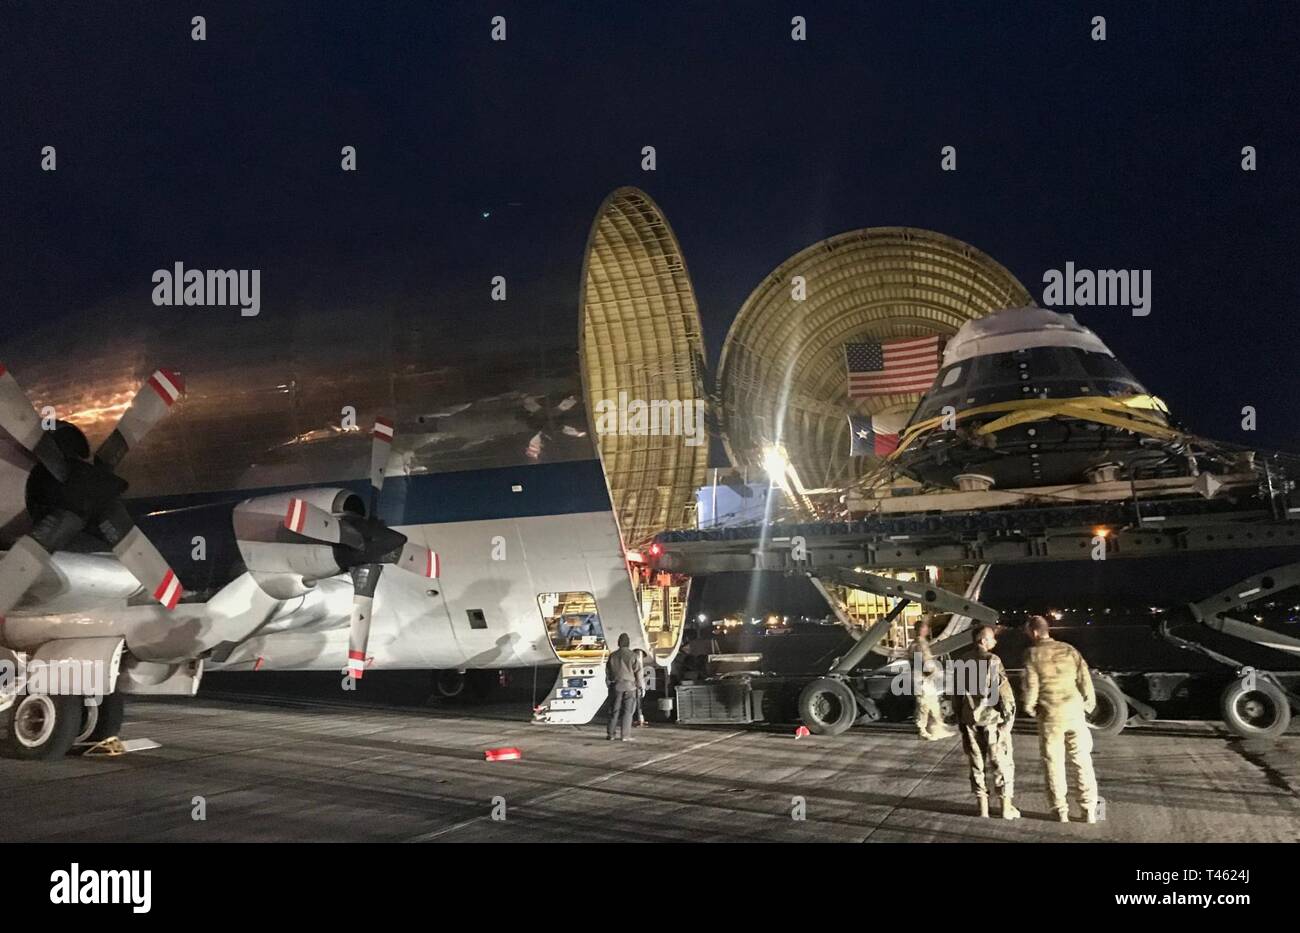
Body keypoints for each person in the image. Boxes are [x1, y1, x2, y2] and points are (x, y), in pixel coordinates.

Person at [1022, 614, 1100, 823]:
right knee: (1082, 760)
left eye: (1028, 632)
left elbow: (1031, 685)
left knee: (1053, 762)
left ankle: (1060, 810)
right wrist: (1088, 704)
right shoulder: (1069, 649)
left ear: (1035, 632)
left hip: (1051, 716)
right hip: (1075, 711)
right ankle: (1089, 809)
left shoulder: (1032, 654)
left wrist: (1030, 708)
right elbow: (1085, 678)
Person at [956, 625, 1020, 819]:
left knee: (976, 764)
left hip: (970, 721)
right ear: (982, 640)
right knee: (1001, 763)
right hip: (992, 721)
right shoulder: (993, 660)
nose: (995, 642)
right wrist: (1009, 719)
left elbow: (956, 695)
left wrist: (960, 717)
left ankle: (982, 809)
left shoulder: (962, 660)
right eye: (992, 638)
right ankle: (1006, 808)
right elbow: (1005, 693)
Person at [910, 619, 954, 740]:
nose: (926, 630)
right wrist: (937, 673)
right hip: (923, 679)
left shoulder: (915, 643)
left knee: (932, 704)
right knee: (924, 705)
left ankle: (938, 726)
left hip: (921, 678)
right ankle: (923, 730)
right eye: (924, 628)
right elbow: (925, 662)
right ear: (921, 630)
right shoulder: (921, 643)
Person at [605, 633, 642, 741]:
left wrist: (609, 683)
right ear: (628, 643)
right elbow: (638, 673)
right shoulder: (633, 656)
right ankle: (625, 736)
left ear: (618, 643)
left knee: (614, 710)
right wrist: (640, 686)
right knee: (628, 712)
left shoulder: (612, 656)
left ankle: (611, 735)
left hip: (616, 686)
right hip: (630, 687)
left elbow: (608, 672)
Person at [632, 648, 651, 726]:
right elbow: (639, 676)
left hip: (634, 685)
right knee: (638, 703)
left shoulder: (634, 663)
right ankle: (639, 719)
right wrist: (642, 686)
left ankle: (639, 719)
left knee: (637, 703)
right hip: (637, 686)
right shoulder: (637, 664)